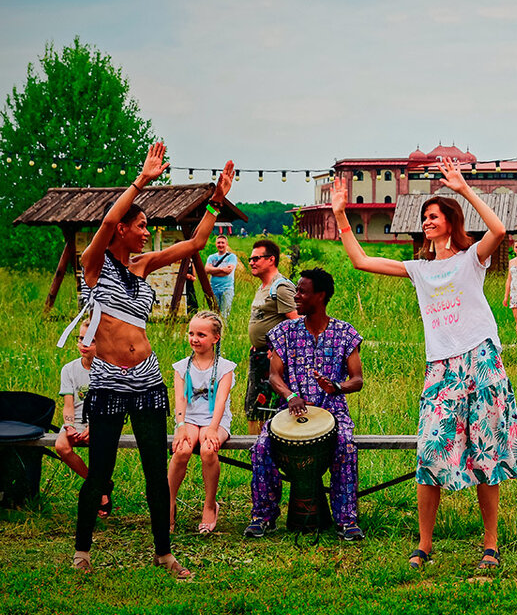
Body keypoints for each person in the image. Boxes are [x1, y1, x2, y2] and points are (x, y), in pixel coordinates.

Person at [330, 158, 517, 571]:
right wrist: (340, 216)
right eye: (424, 218)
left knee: (486, 454)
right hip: (441, 367)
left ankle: (490, 545)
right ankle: (424, 544)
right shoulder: (420, 269)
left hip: (481, 360)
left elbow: (500, 232)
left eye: (433, 216)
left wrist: (465, 190)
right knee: (429, 453)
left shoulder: (472, 258)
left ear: (450, 222)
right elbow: (362, 262)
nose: (426, 222)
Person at [59, 142, 234, 578]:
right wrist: (141, 181)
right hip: (108, 381)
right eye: (139, 225)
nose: (144, 230)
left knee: (156, 471)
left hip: (148, 380)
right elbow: (106, 219)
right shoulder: (94, 265)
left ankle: (164, 552)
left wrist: (216, 200)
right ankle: (83, 550)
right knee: (99, 472)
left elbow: (195, 241)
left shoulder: (144, 264)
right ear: (122, 229)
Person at [245, 268, 365, 541]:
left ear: (320, 296)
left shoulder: (344, 333)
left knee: (346, 446)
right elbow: (274, 375)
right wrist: (290, 396)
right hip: (289, 412)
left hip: (333, 413)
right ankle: (263, 517)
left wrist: (336, 386)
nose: (296, 296)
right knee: (261, 446)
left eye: (302, 291)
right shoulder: (285, 331)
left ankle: (346, 520)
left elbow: (357, 379)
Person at [168, 311, 235, 535]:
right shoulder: (182, 367)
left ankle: (209, 505)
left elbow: (221, 401)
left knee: (208, 450)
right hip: (189, 419)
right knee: (182, 449)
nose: (194, 339)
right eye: (191, 333)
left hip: (215, 419)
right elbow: (180, 399)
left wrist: (214, 429)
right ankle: (168, 502)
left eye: (201, 335)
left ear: (216, 338)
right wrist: (179, 428)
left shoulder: (225, 368)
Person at [55, 321, 110, 515]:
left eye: (91, 341)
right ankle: (100, 487)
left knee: (99, 446)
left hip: (102, 420)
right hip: (76, 421)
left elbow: (108, 407)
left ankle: (97, 492)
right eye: (80, 339)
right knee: (61, 446)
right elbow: (68, 405)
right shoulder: (69, 370)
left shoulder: (107, 370)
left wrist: (93, 427)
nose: (84, 345)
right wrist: (69, 426)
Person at [244, 239, 298, 435]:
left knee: (268, 409)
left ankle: (264, 451)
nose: (251, 262)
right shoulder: (263, 286)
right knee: (254, 408)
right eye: (250, 259)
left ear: (271, 260)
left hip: (273, 361)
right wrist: (258, 343)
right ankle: (256, 452)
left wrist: (277, 348)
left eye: (256, 258)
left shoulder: (281, 287)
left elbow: (298, 323)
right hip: (260, 356)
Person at [205, 235, 238, 318]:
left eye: (222, 243)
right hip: (213, 288)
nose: (220, 245)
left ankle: (224, 330)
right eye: (218, 243)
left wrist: (213, 271)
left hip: (227, 289)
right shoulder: (211, 257)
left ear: (226, 244)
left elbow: (228, 271)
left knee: (224, 314)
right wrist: (222, 269)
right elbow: (206, 270)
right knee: (213, 314)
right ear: (216, 244)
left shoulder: (232, 257)